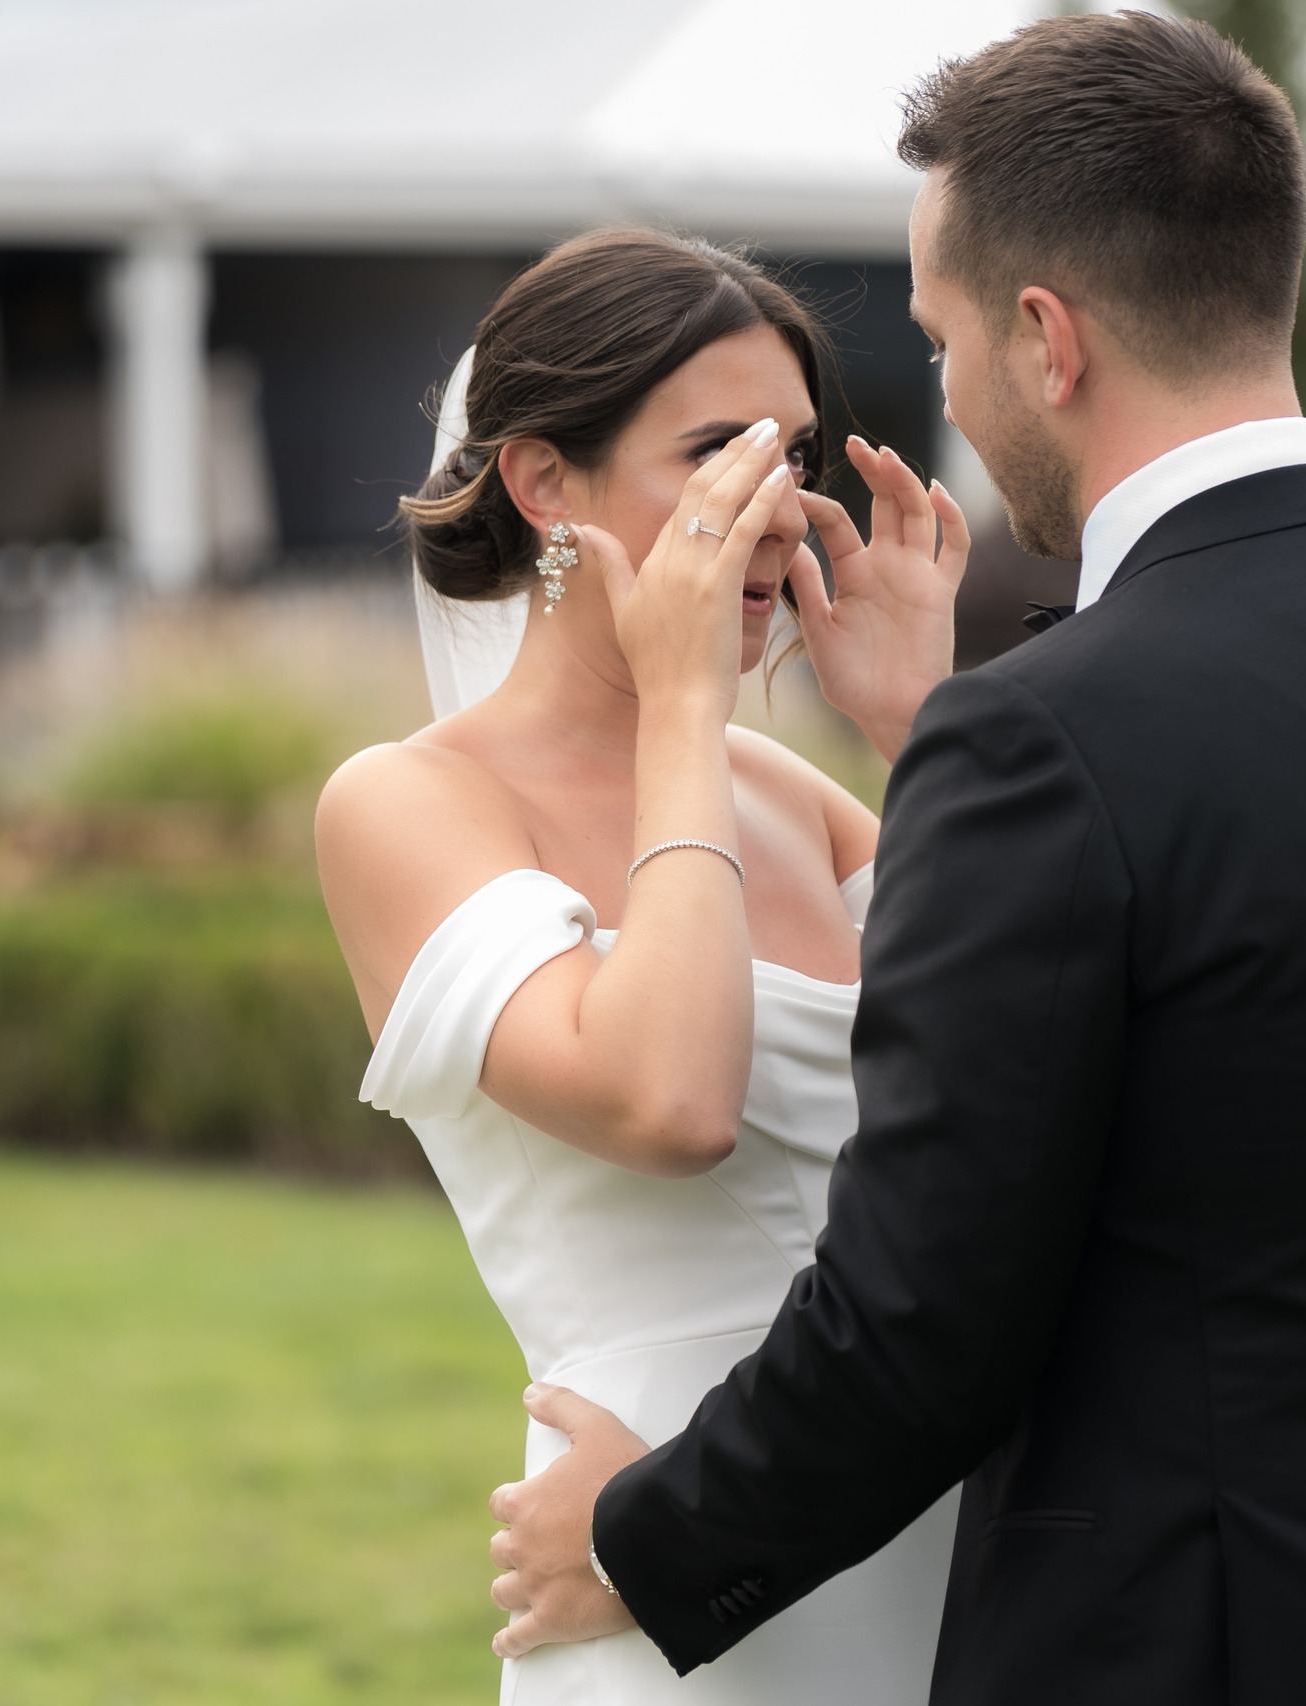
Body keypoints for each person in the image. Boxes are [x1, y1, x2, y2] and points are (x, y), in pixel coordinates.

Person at [484, 14, 1306, 1704]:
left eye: (944, 337)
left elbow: (919, 1328)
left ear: (1048, 339)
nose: (950, 393)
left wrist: (633, 1535)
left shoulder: (1042, 739)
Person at [314, 229, 971, 1705]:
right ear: (546, 486)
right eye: (716, 453)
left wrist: (928, 732)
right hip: (664, 1579)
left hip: (940, 1541)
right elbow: (673, 1101)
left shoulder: (805, 801)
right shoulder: (409, 804)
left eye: (791, 455)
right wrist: (682, 705)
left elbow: (1034, 1075)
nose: (778, 508)